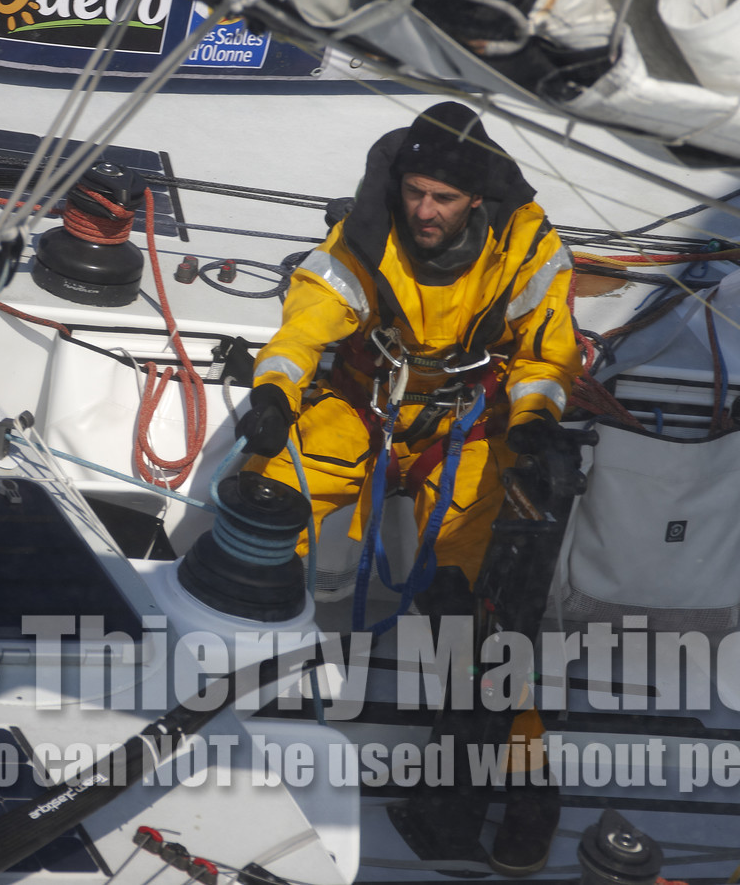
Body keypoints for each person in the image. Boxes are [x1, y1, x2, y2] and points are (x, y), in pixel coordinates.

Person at [235, 100, 580, 874]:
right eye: (416, 191)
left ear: (479, 202)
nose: (425, 210)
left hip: (463, 429)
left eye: (444, 199)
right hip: (362, 408)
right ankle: (204, 681)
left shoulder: (528, 247)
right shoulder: (366, 229)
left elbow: (548, 354)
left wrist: (532, 423)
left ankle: (524, 777)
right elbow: (306, 327)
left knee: (481, 612)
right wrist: (273, 398)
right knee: (257, 497)